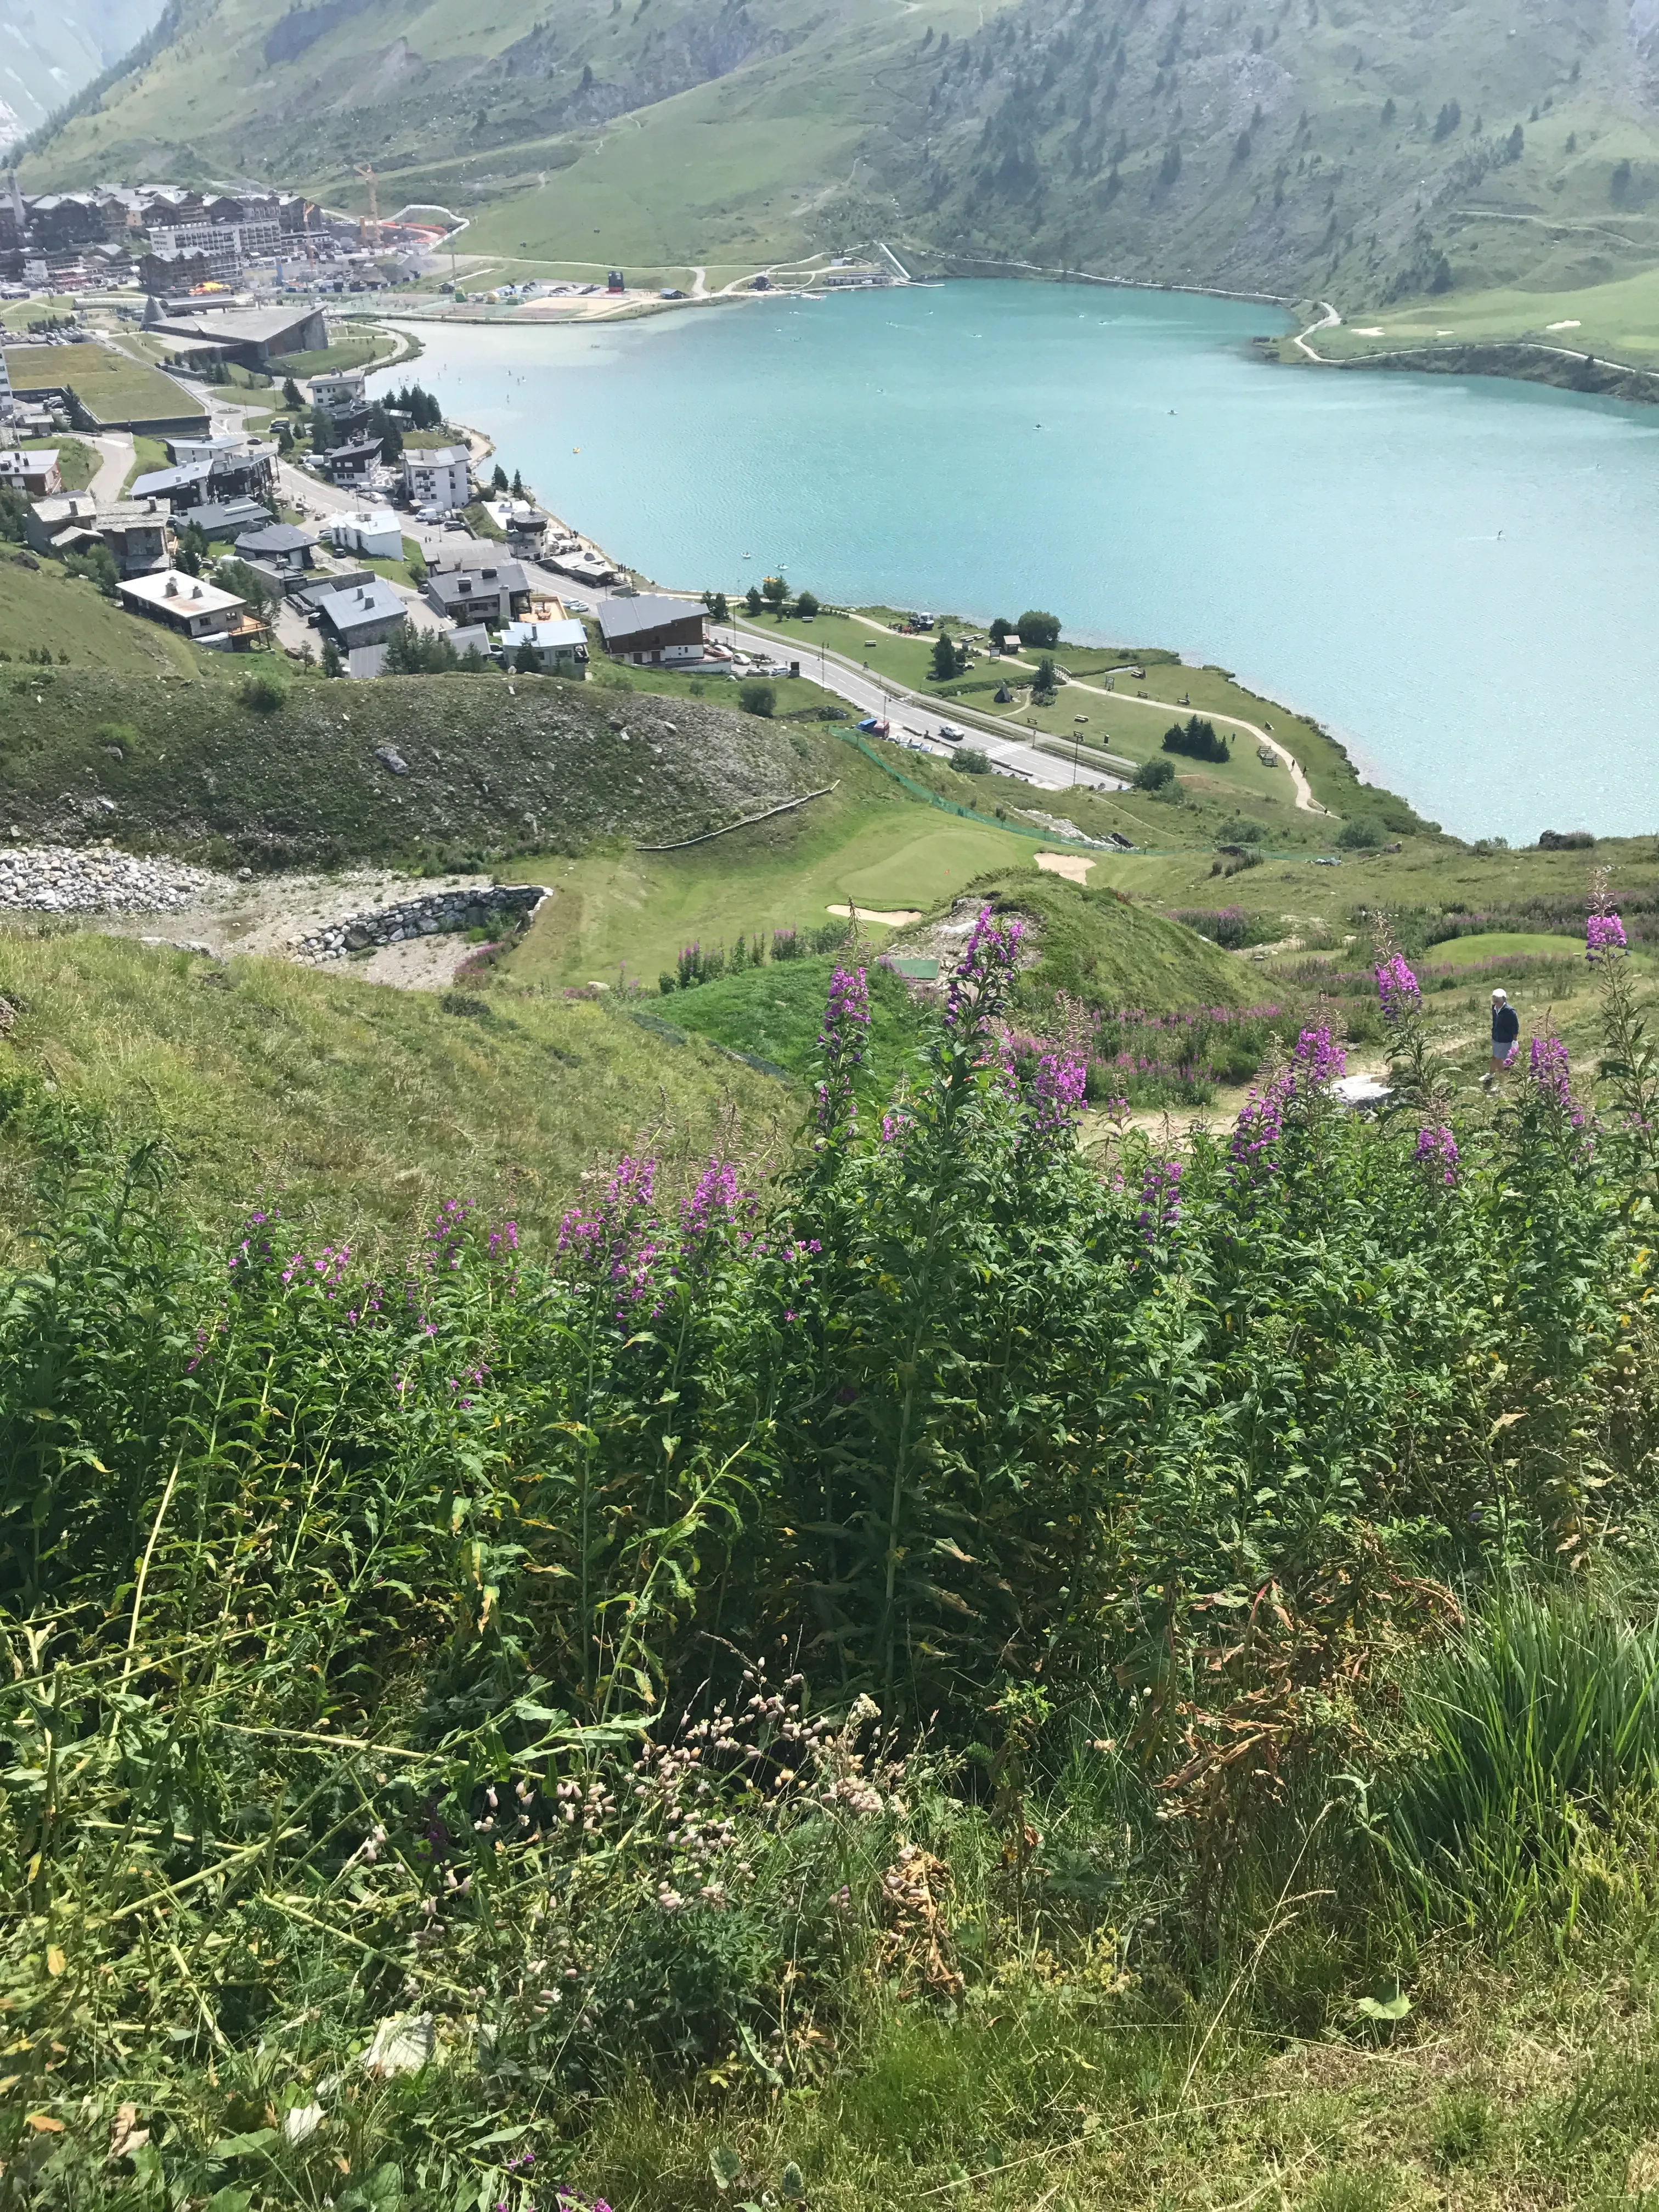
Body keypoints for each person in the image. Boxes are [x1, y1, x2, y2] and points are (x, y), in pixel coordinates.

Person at [1486, 987, 1520, 1085]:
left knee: (1501, 1061)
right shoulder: (1494, 1008)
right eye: (1494, 998)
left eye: (1498, 998)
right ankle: (1491, 1074)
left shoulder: (1510, 1011)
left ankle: (1502, 1083)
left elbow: (1516, 1026)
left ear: (1504, 999)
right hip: (1496, 1038)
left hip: (1505, 1040)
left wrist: (1514, 1040)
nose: (1495, 1000)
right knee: (1495, 1058)